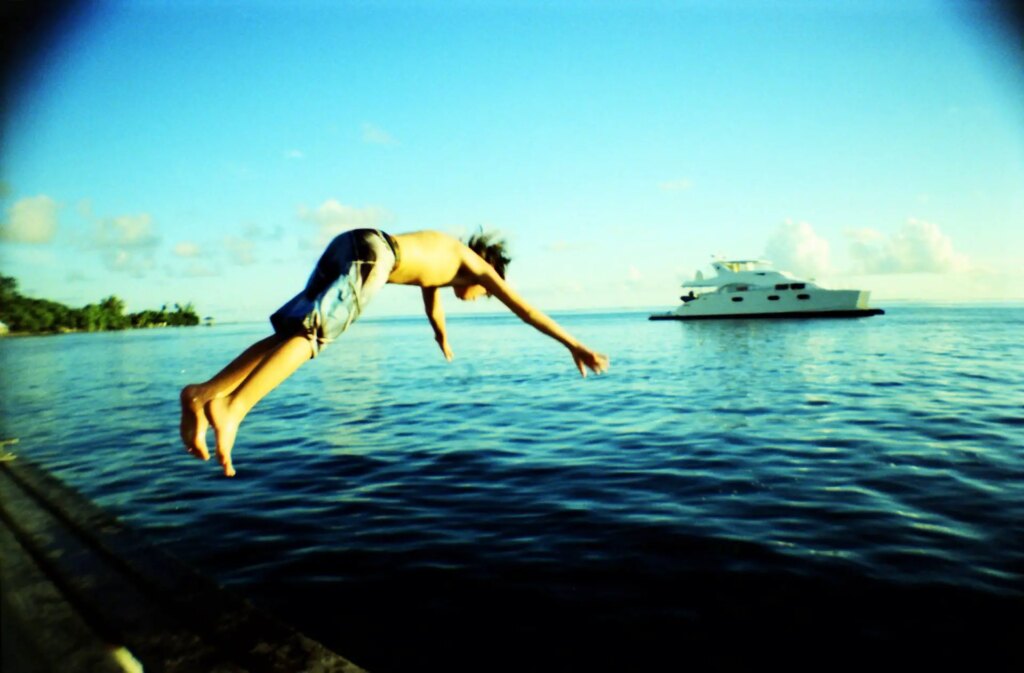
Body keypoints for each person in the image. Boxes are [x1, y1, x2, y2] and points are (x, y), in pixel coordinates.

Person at [179, 228, 610, 477]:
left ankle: (202, 394)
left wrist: (441, 338)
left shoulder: (445, 257)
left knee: (290, 330)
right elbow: (526, 310)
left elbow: (432, 302)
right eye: (487, 293)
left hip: (351, 242)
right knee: (311, 338)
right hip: (374, 257)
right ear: (490, 270)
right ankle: (234, 407)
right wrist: (575, 344)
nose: (484, 297)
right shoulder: (474, 267)